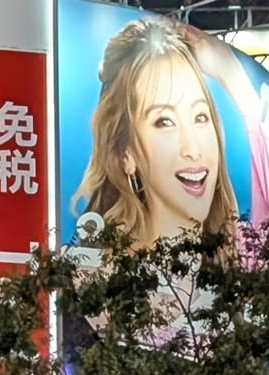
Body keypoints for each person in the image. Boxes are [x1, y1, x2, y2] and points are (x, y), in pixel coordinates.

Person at [74, 16, 239, 253]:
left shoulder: (238, 258)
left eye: (200, 117)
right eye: (164, 122)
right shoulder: (98, 277)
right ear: (125, 153)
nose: (193, 150)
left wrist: (232, 75)